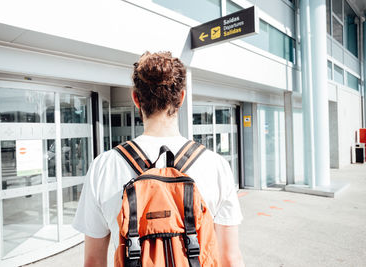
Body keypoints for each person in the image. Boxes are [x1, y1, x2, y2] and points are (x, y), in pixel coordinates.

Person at [73, 51, 244, 267]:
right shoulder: (216, 165)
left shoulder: (104, 166)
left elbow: (93, 261)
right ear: (181, 98)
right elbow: (230, 259)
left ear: (136, 98)